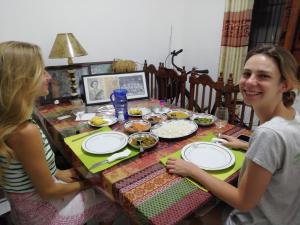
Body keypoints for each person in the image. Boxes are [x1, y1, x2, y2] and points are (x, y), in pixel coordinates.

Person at [166, 45, 300, 225]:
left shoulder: (268, 134)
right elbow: (286, 154)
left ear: (285, 85)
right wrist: (247, 145)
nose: (250, 82)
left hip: (255, 220)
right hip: (287, 217)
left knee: (187, 208)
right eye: (247, 73)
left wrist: (192, 170)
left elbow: (242, 201)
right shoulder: (294, 117)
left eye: (263, 76)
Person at [0, 41, 121, 225]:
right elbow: (48, 192)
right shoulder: (25, 132)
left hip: (22, 207)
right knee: (110, 198)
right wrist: (91, 184)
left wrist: (57, 171)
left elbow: (30, 167)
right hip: (41, 214)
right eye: (42, 72)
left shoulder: (10, 120)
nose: (49, 77)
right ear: (21, 80)